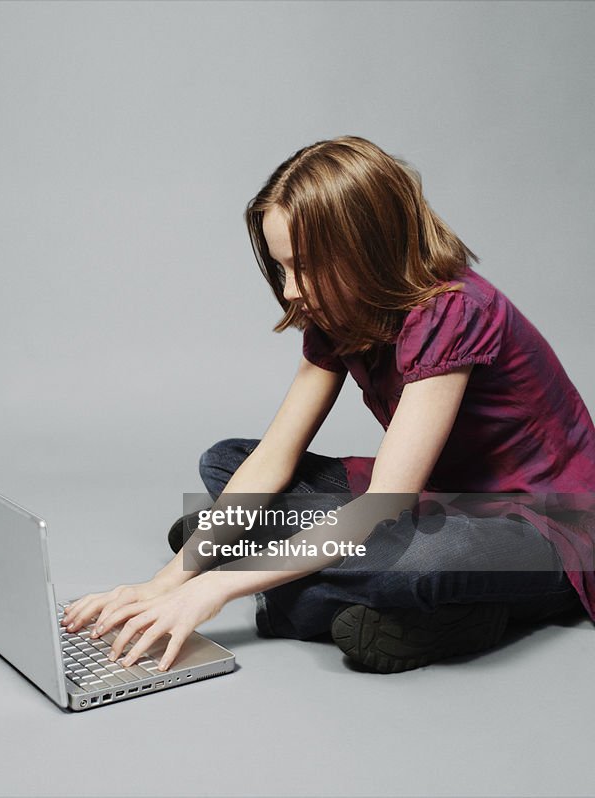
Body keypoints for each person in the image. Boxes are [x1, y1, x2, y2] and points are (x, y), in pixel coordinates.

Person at [60, 136, 595, 673]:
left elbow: (384, 503)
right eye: (282, 268)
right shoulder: (339, 310)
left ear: (368, 247)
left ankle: (303, 583)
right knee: (225, 461)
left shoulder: (455, 310)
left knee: (422, 563)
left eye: (304, 267)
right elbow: (274, 456)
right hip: (438, 499)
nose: (291, 290)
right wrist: (163, 583)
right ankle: (306, 569)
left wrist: (211, 587)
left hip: (549, 522)